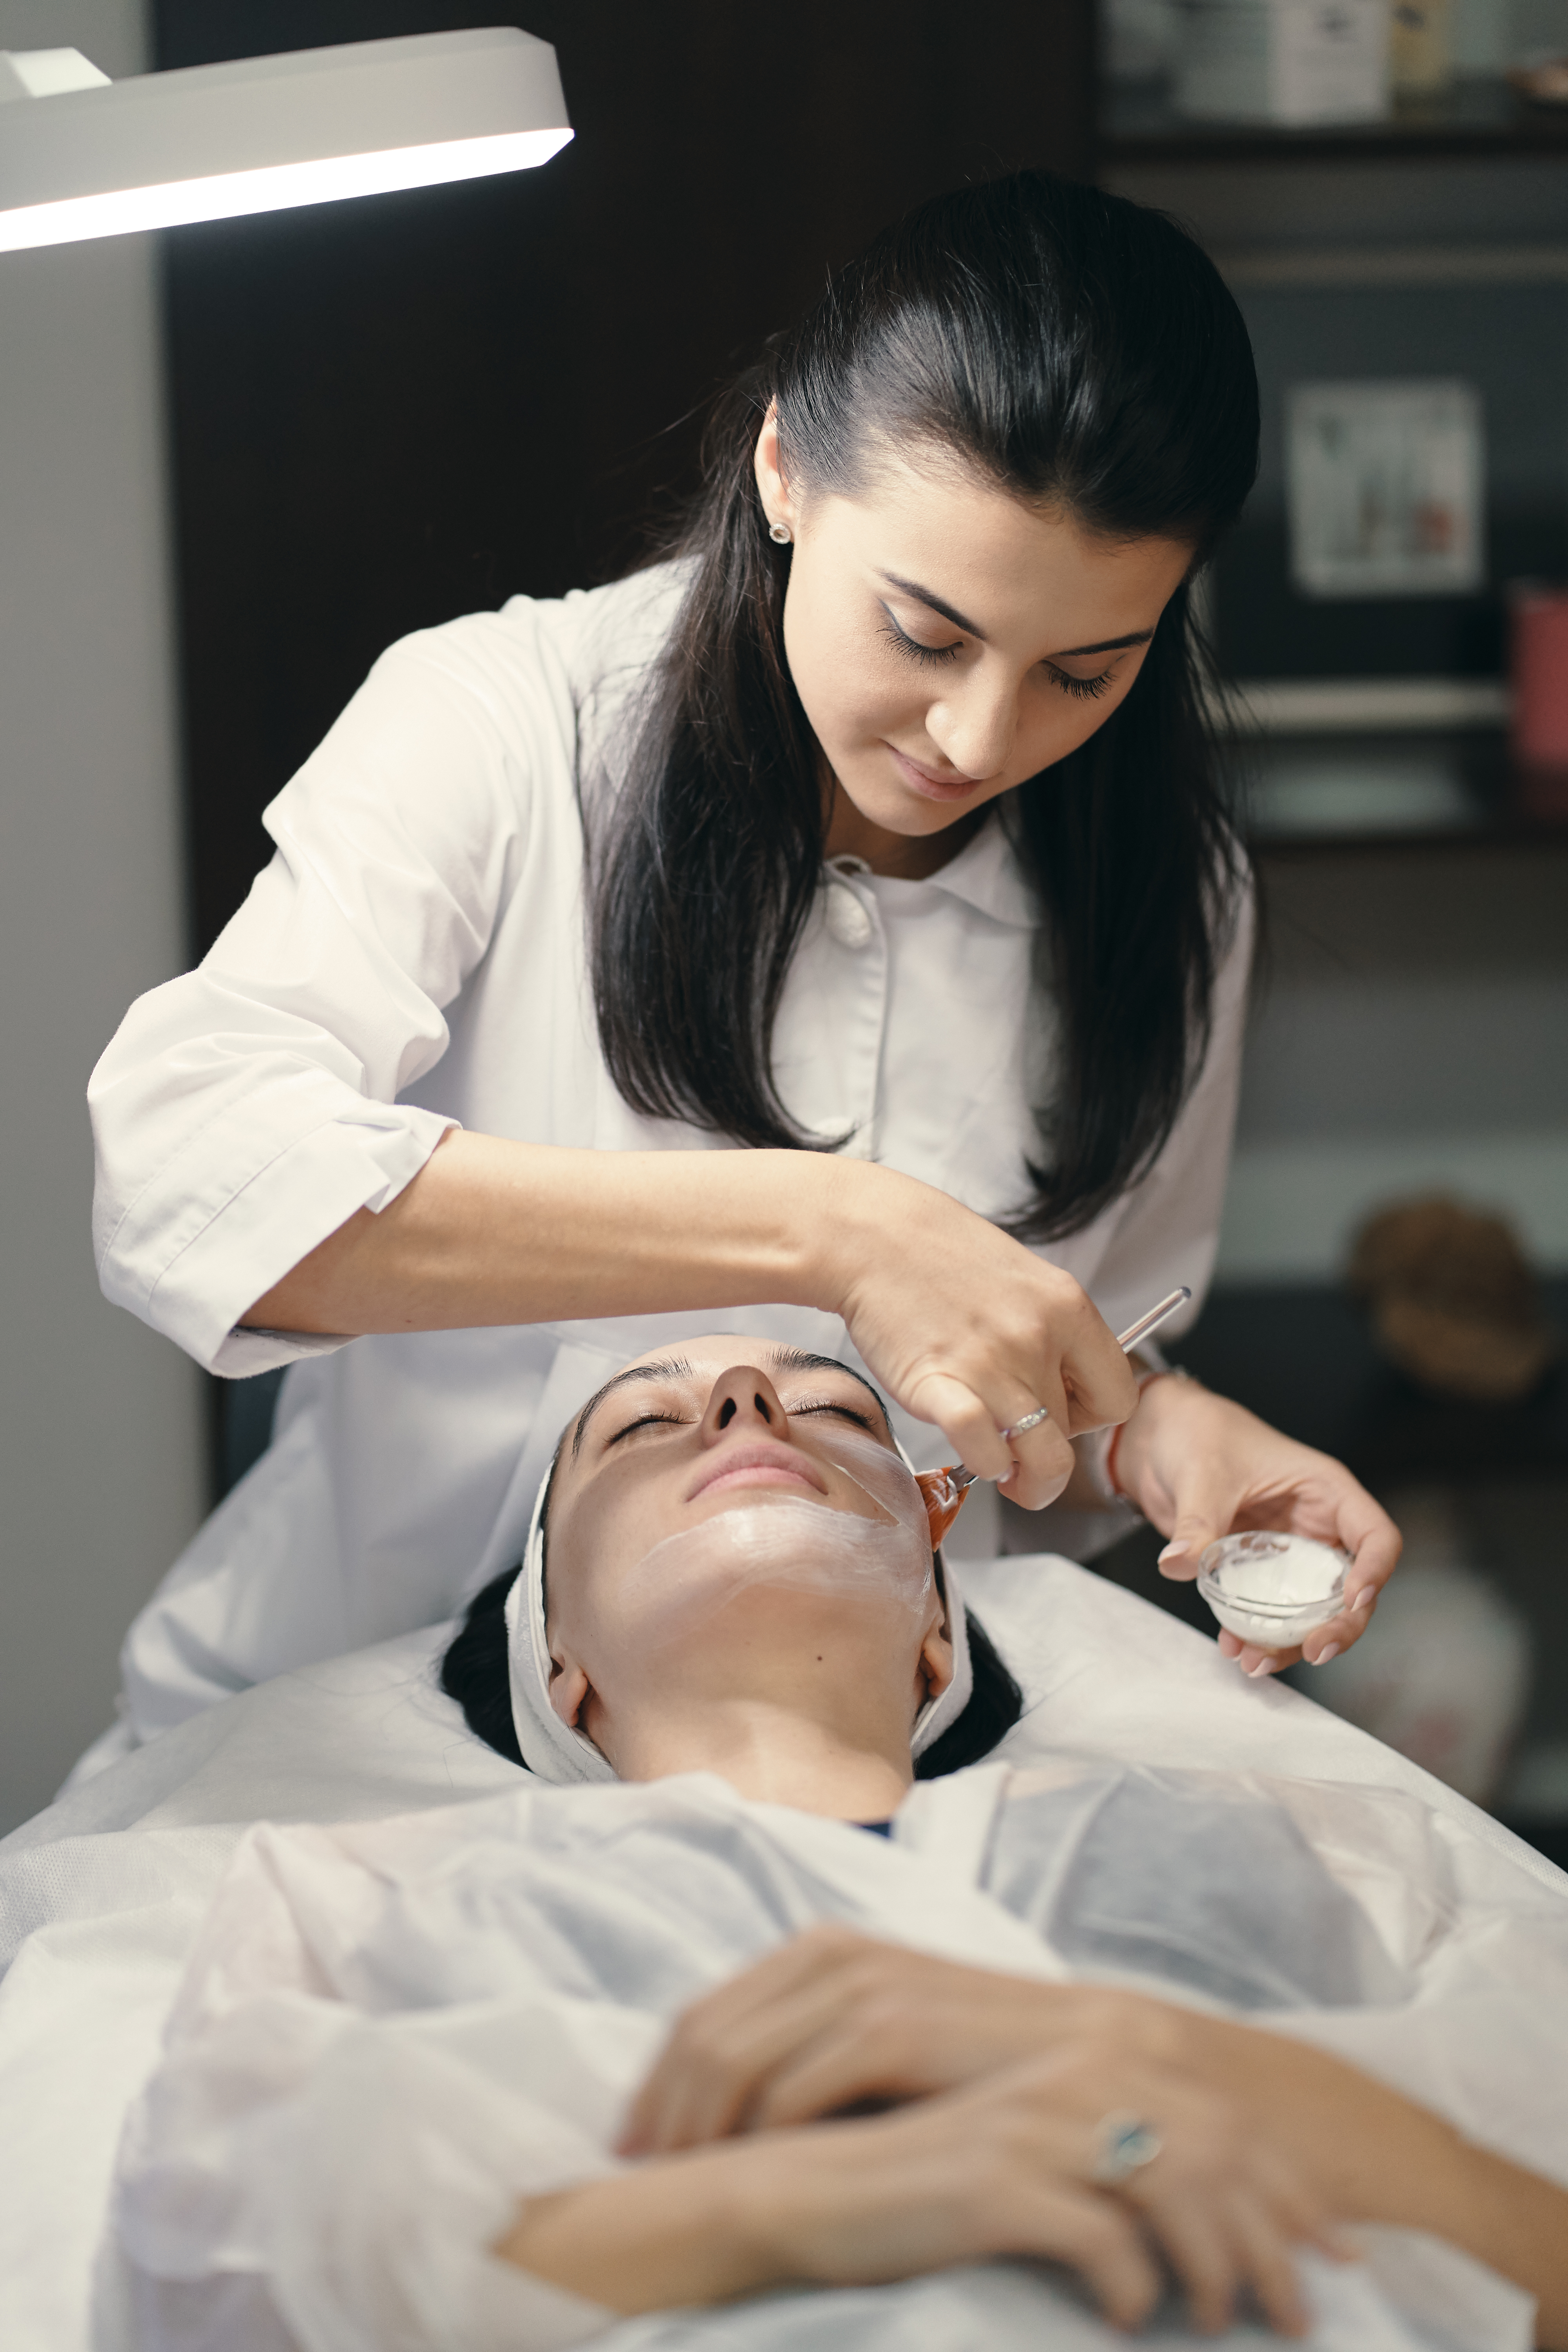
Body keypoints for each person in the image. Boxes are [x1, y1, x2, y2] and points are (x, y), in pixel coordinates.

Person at [89, 171, 1401, 1755]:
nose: (981, 739)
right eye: (924, 633)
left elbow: (1057, 1352)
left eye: (1083, 668)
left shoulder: (1165, 886)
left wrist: (1160, 1431)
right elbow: (186, 1175)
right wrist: (824, 1231)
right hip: (358, 1742)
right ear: (785, 468)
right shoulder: (504, 723)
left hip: (843, 1764)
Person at [112, 1336, 1568, 2352]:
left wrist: (1177, 2071)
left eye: (838, 1413)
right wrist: (803, 2207)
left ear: (940, 1635)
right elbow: (228, 2288)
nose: (749, 1397)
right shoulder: (386, 1898)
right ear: (560, 1661)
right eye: (640, 1424)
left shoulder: (1288, 1838)